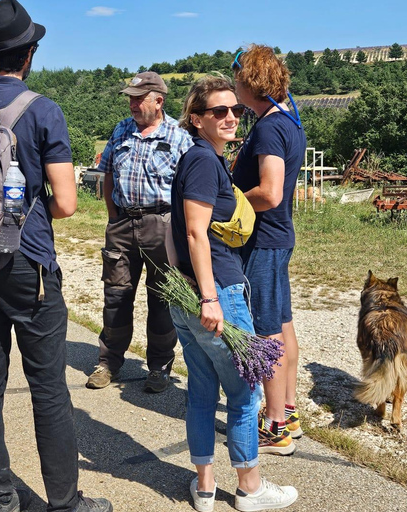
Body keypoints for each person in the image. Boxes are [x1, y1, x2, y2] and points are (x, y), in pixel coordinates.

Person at [0, 1, 111, 511]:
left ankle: (1, 498)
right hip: (28, 264)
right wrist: (29, 214)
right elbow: (68, 203)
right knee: (48, 387)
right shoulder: (43, 111)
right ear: (28, 53)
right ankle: (65, 502)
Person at [170, 74, 298, 512]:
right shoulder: (205, 161)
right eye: (218, 111)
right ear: (196, 118)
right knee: (245, 394)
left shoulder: (198, 158)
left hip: (187, 293)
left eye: (236, 109)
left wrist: (182, 284)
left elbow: (176, 237)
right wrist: (208, 296)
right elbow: (193, 231)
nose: (231, 117)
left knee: (203, 389)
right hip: (216, 292)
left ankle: (205, 489)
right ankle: (250, 488)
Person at [86, 71, 192, 393]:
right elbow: (106, 175)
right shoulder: (121, 130)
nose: (131, 104)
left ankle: (159, 366)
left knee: (162, 298)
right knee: (116, 295)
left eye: (138, 98)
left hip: (162, 226)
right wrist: (112, 215)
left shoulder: (179, 136)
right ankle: (108, 362)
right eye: (130, 98)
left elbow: (190, 188)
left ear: (158, 101)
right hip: (121, 224)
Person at [231, 45, 307, 455]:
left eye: (238, 77)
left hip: (263, 241)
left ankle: (275, 427)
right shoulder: (289, 120)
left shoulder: (268, 128)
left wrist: (228, 204)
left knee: (265, 332)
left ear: (249, 82)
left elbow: (271, 192)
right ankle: (288, 411)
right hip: (280, 238)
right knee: (282, 323)